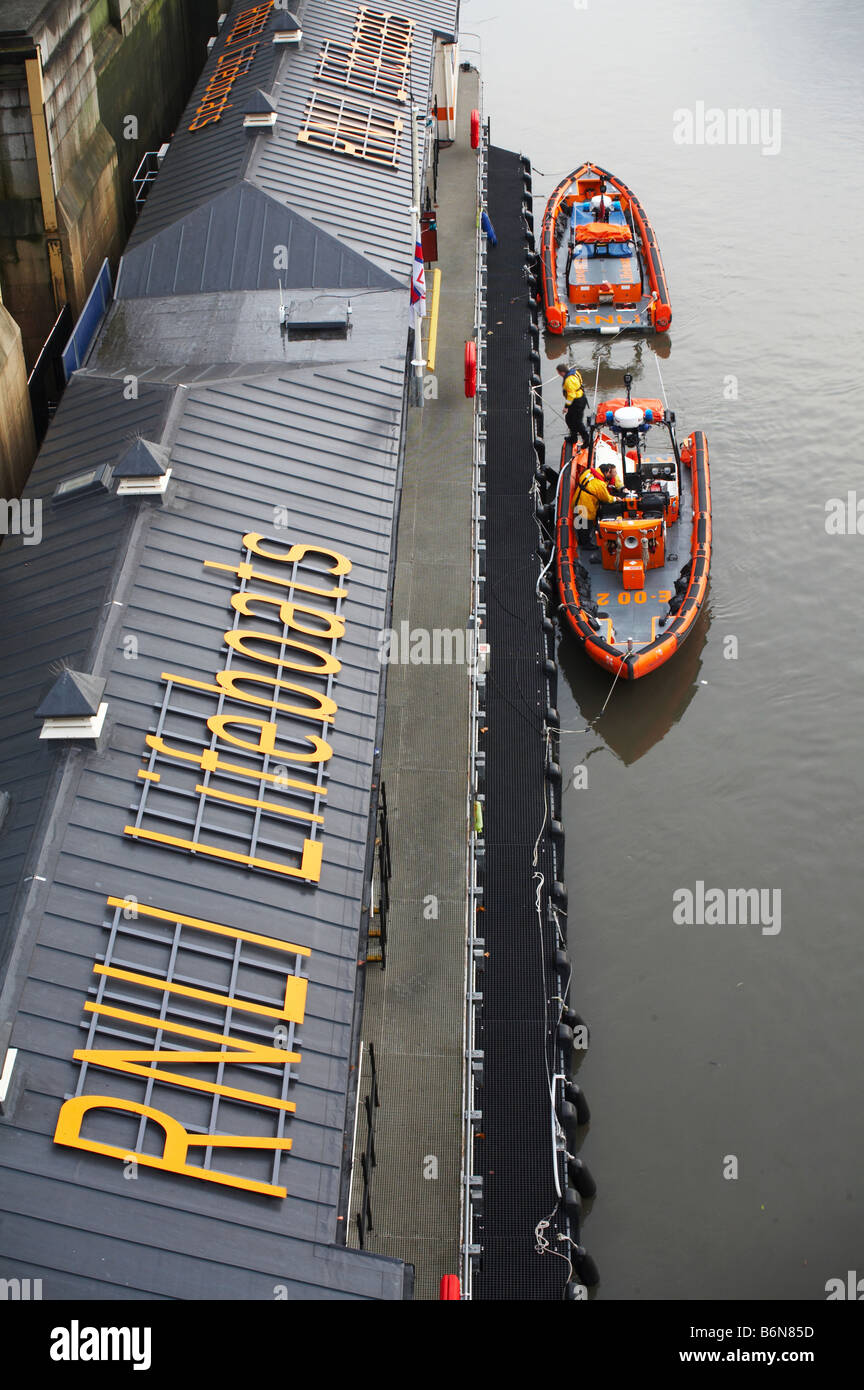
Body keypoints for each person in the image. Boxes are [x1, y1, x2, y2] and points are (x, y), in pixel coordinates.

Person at [572, 460, 623, 546]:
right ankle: (586, 545)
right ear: (607, 472)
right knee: (586, 526)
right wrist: (615, 499)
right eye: (614, 472)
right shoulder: (600, 484)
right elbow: (606, 498)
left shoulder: (589, 472)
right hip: (586, 505)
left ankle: (580, 540)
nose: (615, 474)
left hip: (578, 499)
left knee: (580, 524)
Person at [556, 362, 590, 447]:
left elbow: (571, 395)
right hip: (579, 399)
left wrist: (566, 407)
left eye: (559, 373)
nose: (559, 375)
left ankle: (587, 440)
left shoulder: (568, 381)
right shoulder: (574, 372)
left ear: (561, 372)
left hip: (577, 402)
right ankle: (573, 437)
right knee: (569, 418)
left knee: (578, 422)